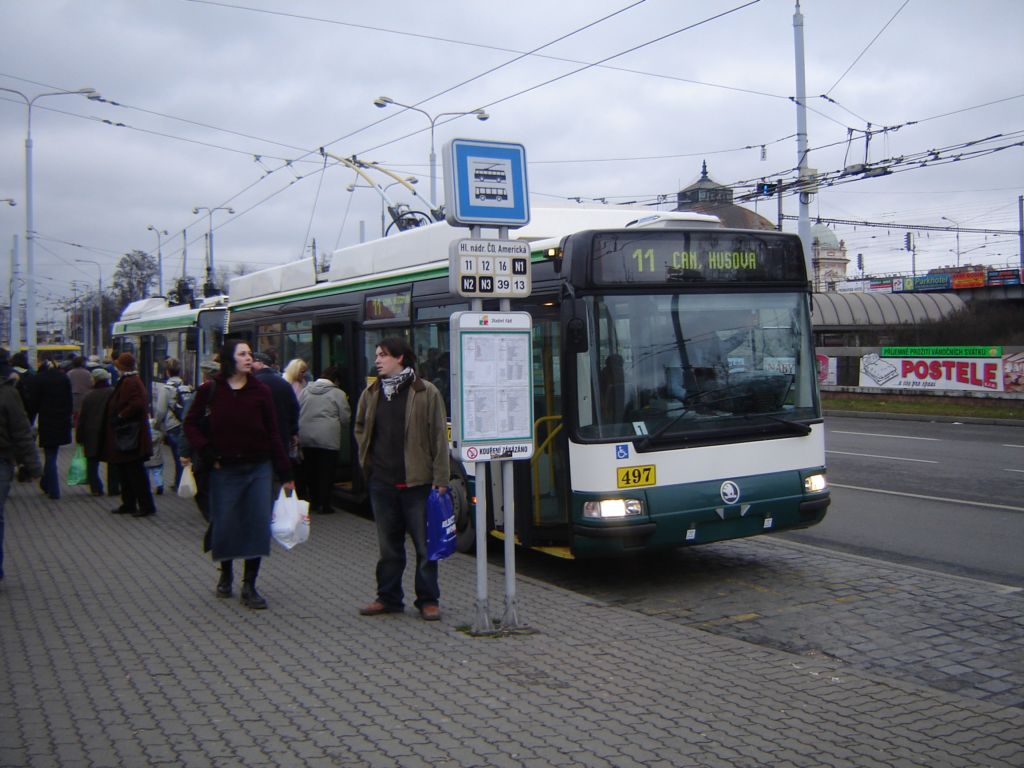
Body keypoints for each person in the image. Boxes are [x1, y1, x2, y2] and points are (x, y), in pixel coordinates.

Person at [182, 340, 294, 610]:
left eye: (250, 354)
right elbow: (190, 424)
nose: (249, 358)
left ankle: (249, 585)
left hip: (258, 467)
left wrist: (285, 472)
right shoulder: (211, 390)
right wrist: (207, 452)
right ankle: (226, 574)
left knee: (256, 523)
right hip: (225, 469)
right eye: (242, 354)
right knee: (226, 523)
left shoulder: (261, 391)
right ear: (229, 359)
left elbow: (273, 432)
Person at [355, 336, 449, 621]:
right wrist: (368, 461)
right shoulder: (372, 392)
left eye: (383, 355)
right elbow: (360, 427)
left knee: (425, 547)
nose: (377, 360)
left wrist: (441, 477)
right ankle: (388, 597)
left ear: (400, 358)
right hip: (382, 483)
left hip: (417, 484)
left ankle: (428, 600)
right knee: (389, 548)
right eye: (377, 355)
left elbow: (438, 436)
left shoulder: (426, 392)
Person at [0, 354, 42, 581]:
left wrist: (33, 464)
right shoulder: (9, 392)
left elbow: (21, 431)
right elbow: (22, 431)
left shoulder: (8, 393)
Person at [103, 352, 156, 518]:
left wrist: (121, 415)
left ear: (123, 367)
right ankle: (129, 503)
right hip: (129, 434)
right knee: (127, 472)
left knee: (134, 473)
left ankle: (144, 505)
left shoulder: (130, 381)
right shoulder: (131, 380)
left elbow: (137, 404)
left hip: (130, 435)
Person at [298, 365, 350, 514]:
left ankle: (313, 502)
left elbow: (298, 410)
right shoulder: (338, 393)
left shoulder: (305, 391)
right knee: (326, 472)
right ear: (336, 380)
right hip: (328, 438)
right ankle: (324, 504)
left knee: (311, 471)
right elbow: (345, 418)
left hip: (306, 436)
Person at [252, 350, 300, 477]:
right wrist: (293, 431)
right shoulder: (284, 383)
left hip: (258, 442)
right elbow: (294, 409)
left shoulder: (252, 383)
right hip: (281, 437)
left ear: (260, 363)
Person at [35, 359, 73, 500]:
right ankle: (46, 483)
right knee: (53, 454)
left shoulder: (40, 379)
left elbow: (35, 402)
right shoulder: (64, 378)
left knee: (50, 455)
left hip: (46, 421)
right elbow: (69, 401)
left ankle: (53, 490)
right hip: (61, 421)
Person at [75, 367, 115, 496]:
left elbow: (82, 418)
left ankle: (96, 488)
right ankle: (114, 487)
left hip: (92, 433)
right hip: (110, 432)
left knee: (92, 462)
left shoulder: (89, 396)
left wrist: (79, 436)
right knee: (113, 461)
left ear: (95, 380)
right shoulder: (113, 393)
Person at [152, 357, 189, 490]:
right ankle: (180, 481)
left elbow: (161, 411)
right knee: (182, 454)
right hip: (183, 424)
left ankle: (179, 483)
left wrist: (156, 425)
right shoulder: (186, 387)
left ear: (167, 372)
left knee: (177, 456)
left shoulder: (166, 389)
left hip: (172, 425)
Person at [67, 356, 93, 426]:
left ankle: (75, 424)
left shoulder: (70, 373)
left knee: (75, 413)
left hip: (73, 395)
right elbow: (91, 384)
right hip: (85, 395)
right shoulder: (87, 373)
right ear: (82, 363)